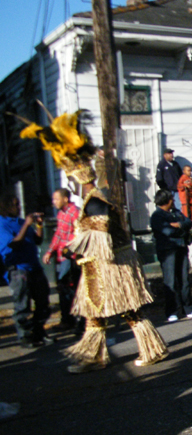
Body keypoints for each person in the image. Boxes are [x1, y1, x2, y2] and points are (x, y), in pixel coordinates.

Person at [21, 111, 169, 372]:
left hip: (112, 267)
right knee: (96, 315)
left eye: (69, 179)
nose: (69, 184)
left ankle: (149, 349)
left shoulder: (95, 201)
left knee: (127, 311)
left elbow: (100, 236)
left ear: (75, 179)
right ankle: (96, 356)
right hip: (97, 269)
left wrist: (71, 247)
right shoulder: (91, 201)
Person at [0, 193, 49, 348]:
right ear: (6, 207)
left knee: (43, 302)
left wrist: (39, 226)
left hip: (34, 266)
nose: (19, 207)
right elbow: (13, 244)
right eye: (16, 204)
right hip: (18, 270)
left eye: (19, 204)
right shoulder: (2, 224)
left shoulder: (21, 222)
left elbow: (37, 240)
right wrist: (27, 225)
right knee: (22, 305)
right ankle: (25, 337)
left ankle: (39, 332)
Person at [150, 189, 192, 322]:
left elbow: (188, 222)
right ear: (165, 200)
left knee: (184, 279)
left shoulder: (176, 213)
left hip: (181, 249)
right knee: (170, 282)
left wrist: (179, 225)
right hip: (167, 252)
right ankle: (172, 311)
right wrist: (182, 231)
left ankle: (188, 308)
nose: (173, 201)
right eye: (171, 198)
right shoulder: (157, 216)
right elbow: (167, 231)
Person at [43, 188, 82, 332]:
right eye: (53, 199)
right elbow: (59, 235)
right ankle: (67, 319)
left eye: (56, 199)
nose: (54, 202)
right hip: (61, 256)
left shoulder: (74, 213)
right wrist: (50, 251)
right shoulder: (61, 214)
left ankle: (79, 320)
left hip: (71, 257)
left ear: (65, 199)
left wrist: (71, 249)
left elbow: (79, 235)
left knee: (72, 287)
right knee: (62, 287)